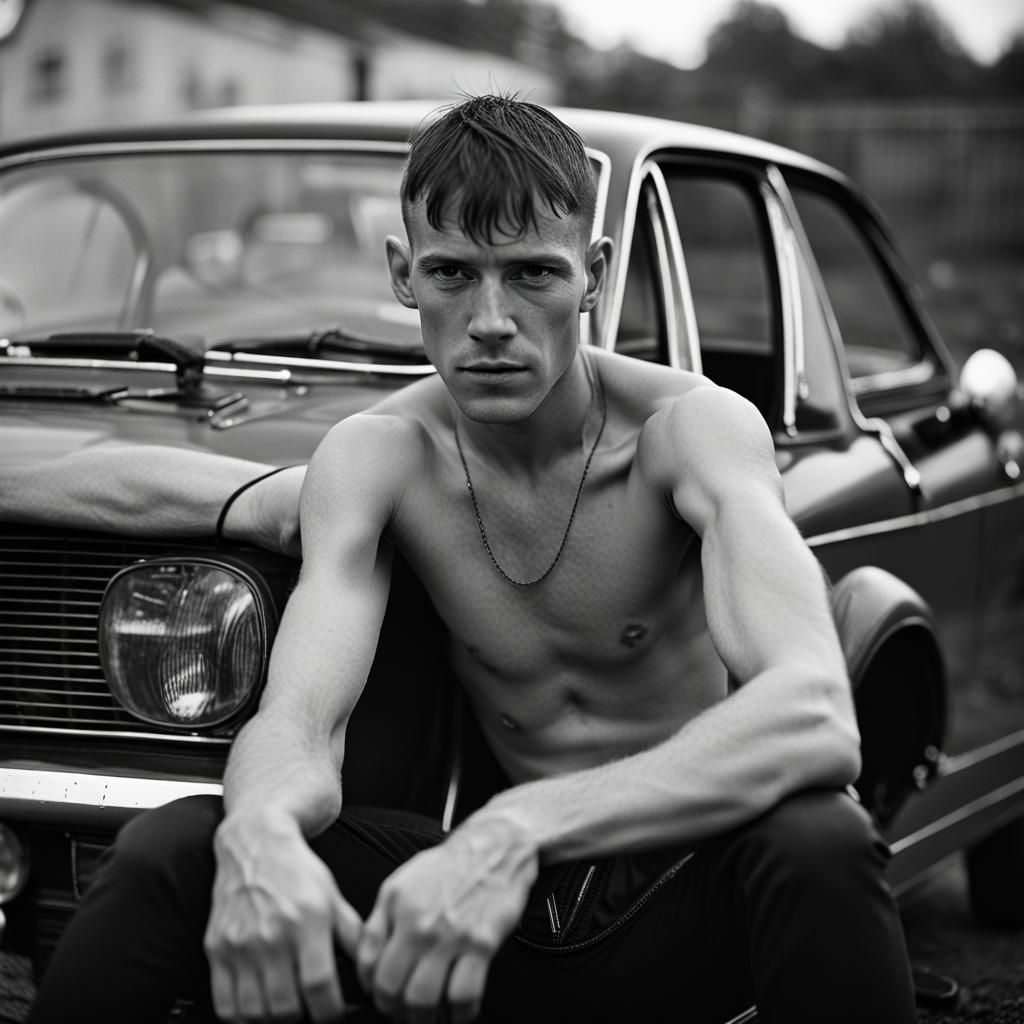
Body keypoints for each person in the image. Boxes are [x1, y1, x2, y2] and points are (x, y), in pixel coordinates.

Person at [20, 94, 916, 1024]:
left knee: (820, 838)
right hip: (480, 911)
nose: (491, 319)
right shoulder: (382, 457)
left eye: (533, 273)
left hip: (674, 887)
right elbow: (301, 724)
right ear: (403, 275)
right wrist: (261, 834)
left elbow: (814, 715)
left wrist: (515, 830)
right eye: (452, 273)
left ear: (594, 276)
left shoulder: (690, 432)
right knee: (176, 851)